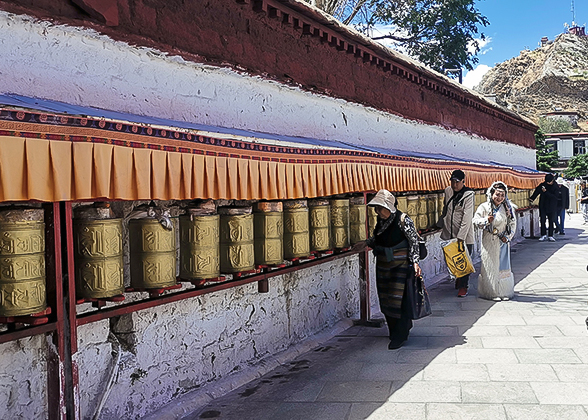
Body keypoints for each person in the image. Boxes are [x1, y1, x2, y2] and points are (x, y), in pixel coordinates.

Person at [366, 189, 422, 350]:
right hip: (383, 265)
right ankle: (394, 330)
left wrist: (416, 263)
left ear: (390, 207)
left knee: (398, 299)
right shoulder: (381, 221)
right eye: (376, 207)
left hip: (400, 266)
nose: (377, 210)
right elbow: (378, 238)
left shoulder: (403, 219)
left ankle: (401, 334)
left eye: (380, 207)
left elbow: (414, 242)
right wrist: (367, 243)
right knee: (386, 298)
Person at [473, 181, 517, 301]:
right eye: (497, 194)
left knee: (503, 266)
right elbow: (475, 221)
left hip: (502, 241)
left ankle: (504, 292)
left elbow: (513, 224)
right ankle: (490, 292)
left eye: (502, 195)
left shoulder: (508, 208)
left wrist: (508, 237)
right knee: (489, 266)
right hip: (488, 241)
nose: (500, 198)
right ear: (491, 194)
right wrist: (486, 220)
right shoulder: (484, 207)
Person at [439, 169, 476, 297]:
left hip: (464, 234)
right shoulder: (448, 191)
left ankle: (463, 286)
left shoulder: (469, 194)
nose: (454, 185)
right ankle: (458, 278)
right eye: (452, 182)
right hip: (449, 232)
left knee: (464, 261)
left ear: (463, 182)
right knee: (452, 259)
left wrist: (461, 237)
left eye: (457, 182)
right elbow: (446, 208)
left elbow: (467, 217)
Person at [529, 173, 558, 242]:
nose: (548, 183)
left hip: (552, 206)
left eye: (549, 182)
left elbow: (554, 197)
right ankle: (543, 235)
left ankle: (551, 235)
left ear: (552, 181)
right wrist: (532, 198)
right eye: (547, 182)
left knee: (551, 221)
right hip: (543, 205)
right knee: (542, 220)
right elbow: (537, 191)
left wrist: (546, 192)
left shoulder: (555, 186)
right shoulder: (542, 185)